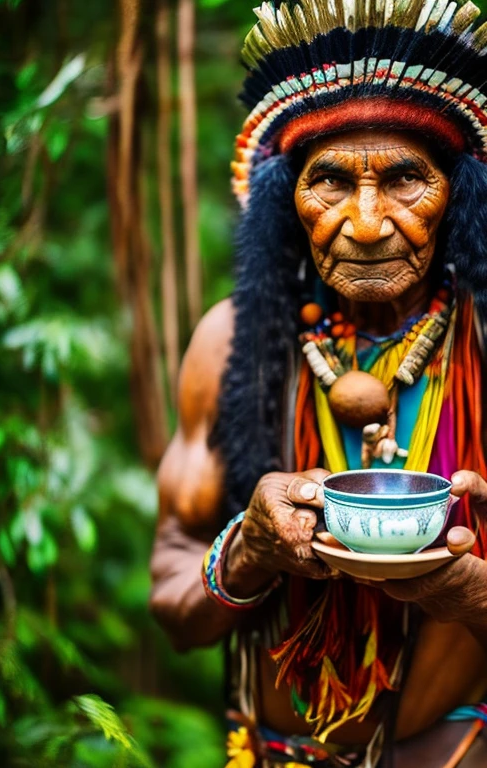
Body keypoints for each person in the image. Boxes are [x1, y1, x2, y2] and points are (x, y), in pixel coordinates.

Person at [150, 0, 487, 765]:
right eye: (330, 182)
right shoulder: (233, 344)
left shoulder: (481, 344)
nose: (366, 223)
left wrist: (471, 595)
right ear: (285, 202)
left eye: (407, 178)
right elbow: (172, 605)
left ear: (458, 196)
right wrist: (248, 551)